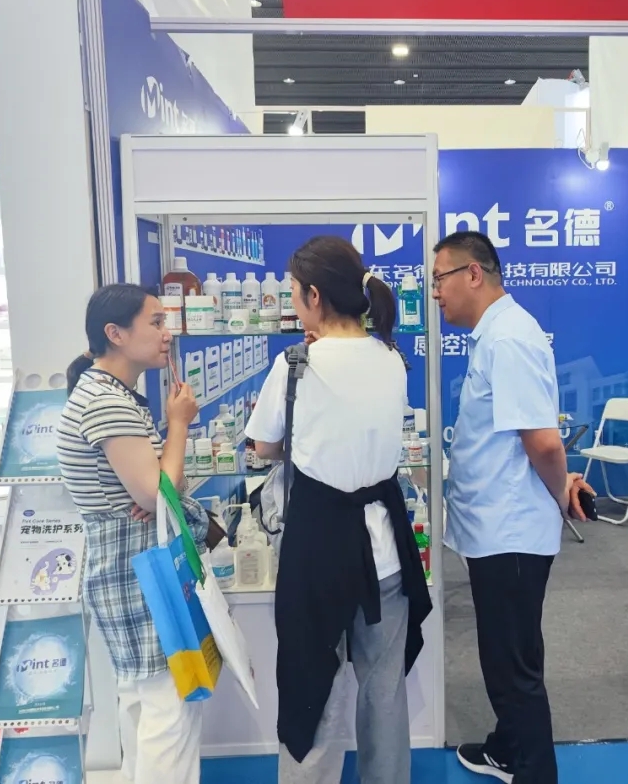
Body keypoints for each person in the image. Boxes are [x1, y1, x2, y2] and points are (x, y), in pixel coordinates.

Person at [245, 236, 432, 784]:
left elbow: (264, 447)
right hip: (385, 548)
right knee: (384, 692)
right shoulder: (392, 359)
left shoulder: (294, 366)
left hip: (318, 551)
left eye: (294, 292)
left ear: (314, 296)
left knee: (312, 686)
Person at [431, 230, 591, 784]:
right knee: (509, 653)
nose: (436, 293)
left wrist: (560, 490)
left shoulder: (509, 340)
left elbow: (543, 443)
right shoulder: (496, 336)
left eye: (440, 279)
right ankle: (507, 747)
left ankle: (534, 772)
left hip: (510, 532)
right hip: (496, 527)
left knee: (513, 666)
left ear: (474, 274)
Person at [56, 284, 212, 784]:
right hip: (139, 575)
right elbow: (156, 493)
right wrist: (178, 425)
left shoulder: (111, 395)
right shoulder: (107, 401)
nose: (167, 334)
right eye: (156, 322)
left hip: (129, 569)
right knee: (169, 710)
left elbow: (159, 488)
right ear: (115, 333)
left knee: (147, 705)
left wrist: (157, 486)